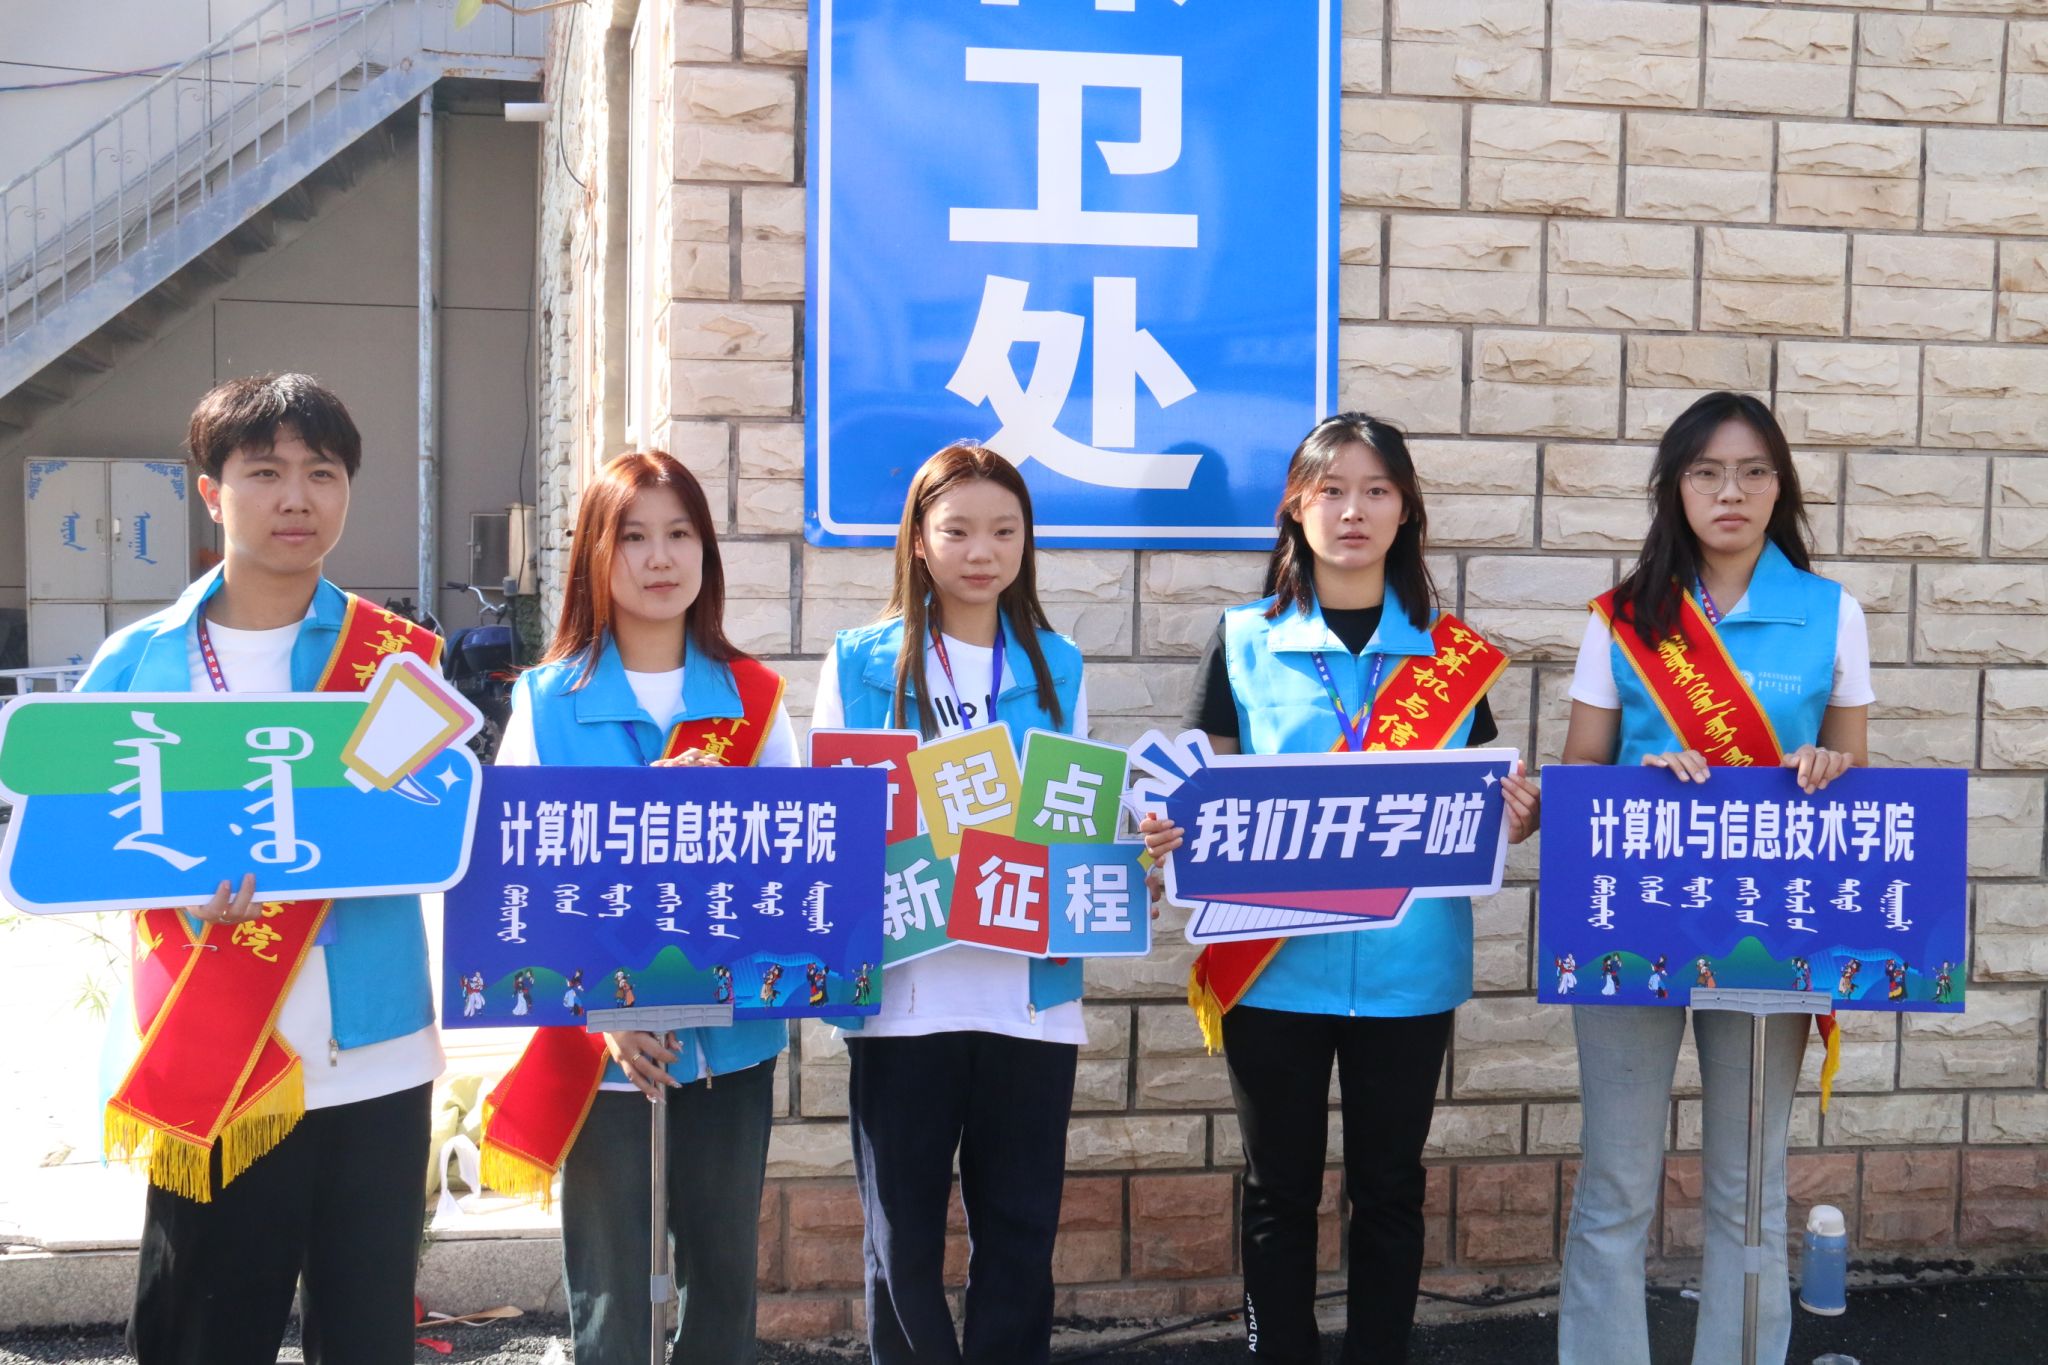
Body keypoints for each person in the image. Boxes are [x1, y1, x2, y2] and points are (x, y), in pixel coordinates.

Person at [1140, 412, 1539, 1365]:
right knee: (1278, 1189)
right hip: (1271, 967)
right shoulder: (1243, 640)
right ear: (1295, 507)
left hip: (1410, 969)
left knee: (1390, 1188)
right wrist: (1166, 828)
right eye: (1331, 490)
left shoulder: (1450, 655)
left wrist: (1515, 813)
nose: (1353, 510)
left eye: (1376, 490)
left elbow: (1477, 803)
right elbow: (1199, 791)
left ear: (1405, 510)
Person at [80, 374, 444, 1364]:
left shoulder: (399, 662)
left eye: (321, 473)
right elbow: (74, 844)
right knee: (204, 1326)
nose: (296, 497)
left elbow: (434, 830)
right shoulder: (135, 664)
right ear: (212, 492)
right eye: (265, 472)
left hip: (376, 1051)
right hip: (209, 1040)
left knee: (366, 1333)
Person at [1554, 391, 1871, 1365]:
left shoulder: (1832, 614)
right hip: (1632, 921)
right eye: (1705, 472)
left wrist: (1828, 766)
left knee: (1748, 1182)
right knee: (1616, 1181)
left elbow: (1856, 780)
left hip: (1767, 930)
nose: (1729, 491)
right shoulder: (1622, 619)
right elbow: (1575, 780)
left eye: (1751, 471)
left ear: (1780, 487)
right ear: (1674, 488)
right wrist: (1638, 780)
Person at [477, 451, 796, 1365]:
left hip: (730, 1041)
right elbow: (516, 879)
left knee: (722, 1283)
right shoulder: (548, 700)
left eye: (680, 533)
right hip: (601, 1050)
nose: (660, 558)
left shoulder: (756, 699)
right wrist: (604, 1005)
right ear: (595, 554)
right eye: (635, 537)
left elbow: (795, 872)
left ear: (706, 551)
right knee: (613, 1291)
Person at [811, 440, 1087, 1365]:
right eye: (958, 529)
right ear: (919, 541)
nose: (982, 551)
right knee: (903, 1240)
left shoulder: (1059, 663)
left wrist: (1134, 847)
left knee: (1021, 1236)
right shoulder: (861, 662)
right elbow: (834, 819)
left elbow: (1075, 812)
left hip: (1026, 996)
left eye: (1004, 531)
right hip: (906, 995)